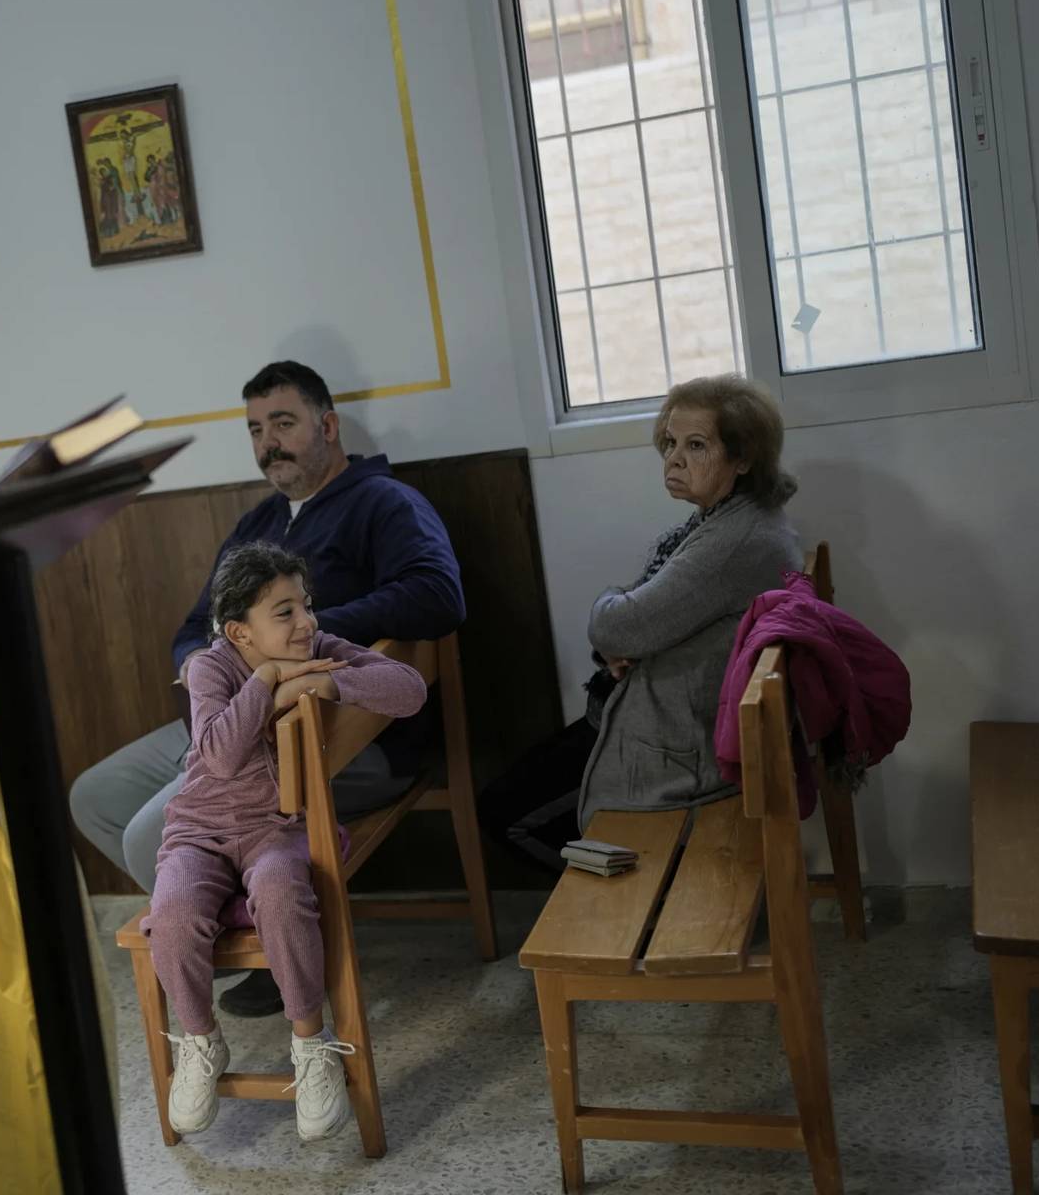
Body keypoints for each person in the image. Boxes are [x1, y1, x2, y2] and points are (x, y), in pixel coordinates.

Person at [69, 360, 463, 1016]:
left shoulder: (385, 502)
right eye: (255, 429)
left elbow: (437, 595)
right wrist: (209, 668)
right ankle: (249, 920)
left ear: (328, 426)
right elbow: (198, 625)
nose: (267, 443)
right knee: (96, 797)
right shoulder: (259, 524)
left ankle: (265, 938)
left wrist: (302, 635)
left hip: (338, 734)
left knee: (147, 838)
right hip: (234, 720)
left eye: (283, 422)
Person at [145, 542, 425, 1141]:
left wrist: (330, 688)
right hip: (198, 830)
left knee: (279, 890)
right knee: (170, 913)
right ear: (239, 632)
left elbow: (408, 689)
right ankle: (199, 1042)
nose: (308, 623)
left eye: (306, 606)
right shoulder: (209, 668)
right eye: (285, 612)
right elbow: (218, 757)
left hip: (277, 829)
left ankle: (311, 1043)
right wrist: (270, 683)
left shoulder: (318, 650)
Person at [478, 374, 802, 869]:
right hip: (649, 713)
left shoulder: (736, 540)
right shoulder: (727, 519)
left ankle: (619, 912)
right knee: (512, 794)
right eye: (670, 442)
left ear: (743, 458)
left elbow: (617, 627)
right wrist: (621, 621)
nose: (673, 458)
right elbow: (634, 617)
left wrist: (612, 607)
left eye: (696, 445)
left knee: (505, 813)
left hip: (670, 745)